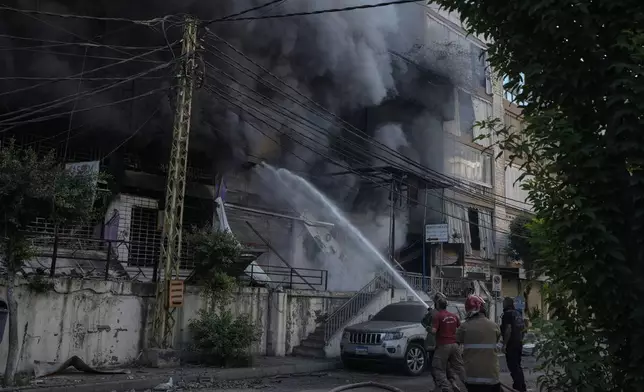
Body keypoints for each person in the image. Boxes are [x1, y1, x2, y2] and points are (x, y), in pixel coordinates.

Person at [456, 295, 502, 392]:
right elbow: (497, 341)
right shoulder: (494, 326)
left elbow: (457, 340)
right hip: (491, 376)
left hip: (472, 377)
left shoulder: (464, 327)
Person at [431, 292, 465, 392]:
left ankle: (446, 388)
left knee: (438, 368)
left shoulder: (437, 316)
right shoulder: (454, 316)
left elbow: (433, 331)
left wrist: (428, 328)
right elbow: (459, 328)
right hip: (455, 345)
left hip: (443, 345)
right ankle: (470, 384)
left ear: (437, 305)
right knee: (459, 367)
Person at [501, 297, 527, 392]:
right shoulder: (518, 314)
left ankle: (520, 387)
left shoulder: (507, 314)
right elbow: (524, 327)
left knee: (513, 366)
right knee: (517, 365)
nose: (502, 304)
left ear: (507, 304)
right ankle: (519, 385)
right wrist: (520, 339)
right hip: (518, 343)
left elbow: (508, 329)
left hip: (511, 344)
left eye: (504, 303)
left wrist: (505, 344)